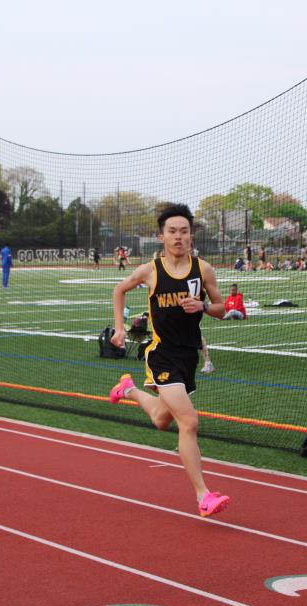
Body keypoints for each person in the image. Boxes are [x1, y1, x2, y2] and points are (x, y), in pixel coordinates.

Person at [108, 203, 230, 518]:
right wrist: (120, 329)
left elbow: (222, 309)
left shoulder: (203, 270)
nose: (178, 237)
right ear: (161, 236)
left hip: (188, 356)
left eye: (184, 231)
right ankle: (203, 495)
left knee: (162, 419)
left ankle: (128, 390)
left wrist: (203, 307)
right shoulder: (150, 270)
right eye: (172, 231)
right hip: (162, 354)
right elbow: (119, 290)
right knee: (188, 422)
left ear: (191, 236)